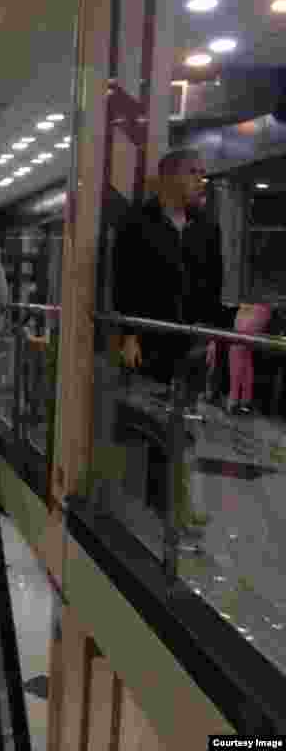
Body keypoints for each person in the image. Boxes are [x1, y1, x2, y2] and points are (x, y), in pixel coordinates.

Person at [112, 148, 234, 530]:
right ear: (169, 178)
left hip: (193, 342)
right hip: (151, 342)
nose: (202, 180)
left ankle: (178, 504)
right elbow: (124, 281)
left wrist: (213, 335)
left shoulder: (206, 226)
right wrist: (129, 334)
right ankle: (157, 504)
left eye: (203, 173)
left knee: (187, 425)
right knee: (153, 425)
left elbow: (213, 284)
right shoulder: (137, 222)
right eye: (193, 173)